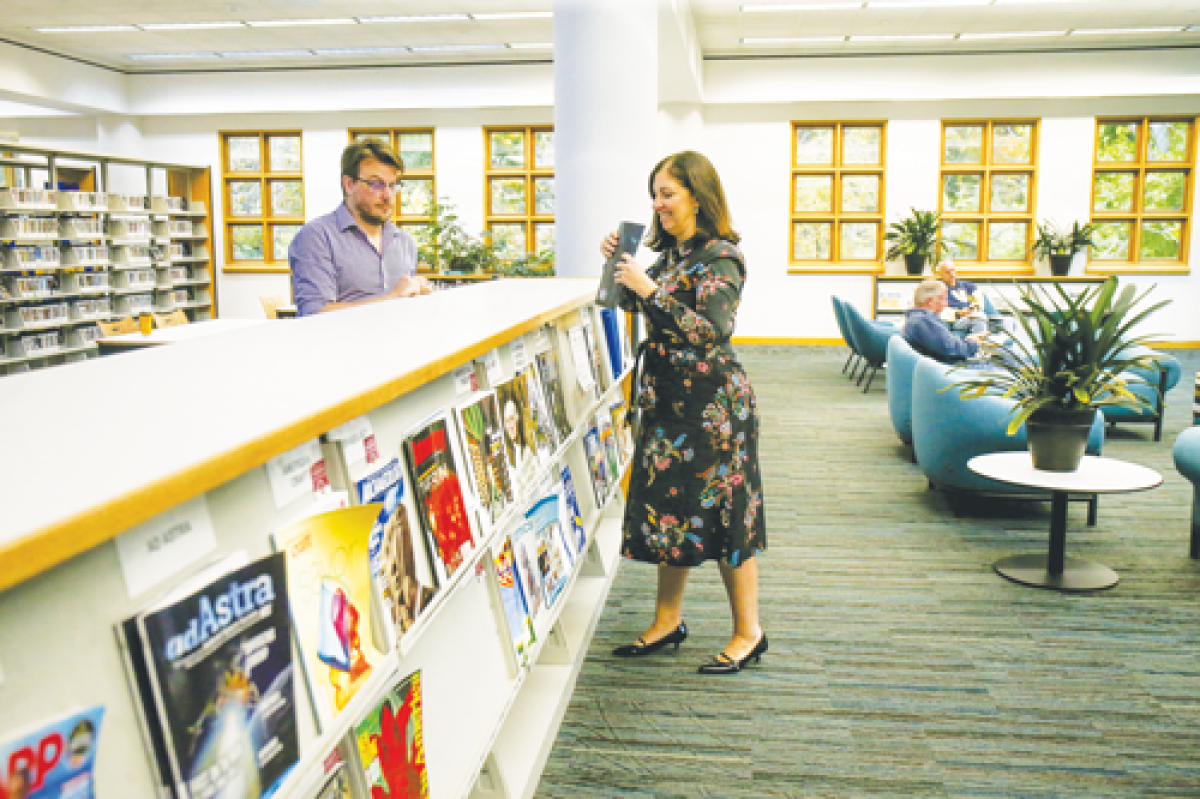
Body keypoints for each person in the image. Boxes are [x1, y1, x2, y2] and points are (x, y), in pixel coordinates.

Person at [603, 150, 767, 675]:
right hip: (670, 403)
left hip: (715, 409)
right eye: (655, 193)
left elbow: (708, 330)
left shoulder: (721, 257)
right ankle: (667, 620)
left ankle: (749, 632)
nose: (658, 203)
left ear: (698, 195)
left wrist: (649, 289)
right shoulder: (672, 255)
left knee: (726, 517)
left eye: (668, 193)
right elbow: (631, 306)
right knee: (672, 513)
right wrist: (618, 269)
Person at [290, 139, 432, 316]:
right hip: (343, 343)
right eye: (376, 184)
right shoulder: (316, 237)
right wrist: (392, 298)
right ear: (349, 184)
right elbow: (314, 314)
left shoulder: (404, 242)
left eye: (393, 185)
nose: (388, 196)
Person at [904, 279, 988, 363]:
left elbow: (946, 342)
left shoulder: (917, 318)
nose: (946, 304)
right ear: (930, 301)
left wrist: (968, 341)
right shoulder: (924, 321)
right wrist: (973, 343)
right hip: (947, 369)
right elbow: (951, 349)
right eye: (943, 299)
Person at [935, 259, 989, 336]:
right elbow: (938, 310)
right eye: (947, 272)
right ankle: (975, 344)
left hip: (973, 315)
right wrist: (959, 313)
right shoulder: (939, 289)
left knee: (979, 317)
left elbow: (977, 302)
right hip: (955, 320)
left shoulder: (968, 286)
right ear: (940, 274)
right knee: (979, 317)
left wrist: (972, 308)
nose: (952, 274)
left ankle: (974, 343)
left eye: (953, 270)